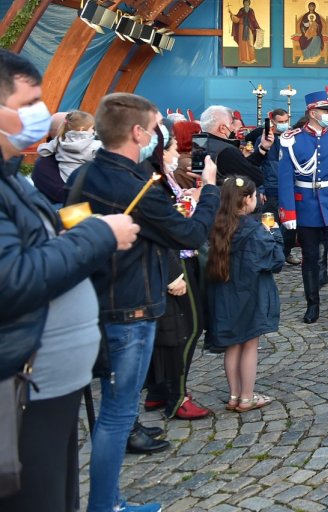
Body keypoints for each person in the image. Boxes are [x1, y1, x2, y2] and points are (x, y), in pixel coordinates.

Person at [0, 51, 140, 512]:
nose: (44, 114)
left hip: (52, 381)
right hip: (23, 383)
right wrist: (99, 234)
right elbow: (11, 279)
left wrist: (72, 231)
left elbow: (40, 236)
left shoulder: (11, 177)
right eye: (31, 102)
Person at [72, 93, 219, 512]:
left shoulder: (86, 175)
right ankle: (105, 505)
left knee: (110, 412)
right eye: (155, 129)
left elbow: (70, 227)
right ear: (138, 132)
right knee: (117, 416)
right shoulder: (137, 188)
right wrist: (208, 192)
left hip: (94, 301)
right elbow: (189, 235)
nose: (160, 137)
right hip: (130, 308)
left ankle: (108, 500)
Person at [141, 124, 211, 422]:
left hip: (173, 258)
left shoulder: (158, 177)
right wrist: (207, 190)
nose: (175, 155)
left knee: (169, 331)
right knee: (187, 329)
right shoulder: (149, 180)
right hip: (175, 261)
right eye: (170, 150)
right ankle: (177, 395)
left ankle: (159, 390)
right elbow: (161, 227)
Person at [277, 89, 328, 325]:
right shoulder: (292, 141)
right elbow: (285, 179)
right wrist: (289, 212)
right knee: (310, 257)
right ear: (313, 112)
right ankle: (312, 306)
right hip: (306, 209)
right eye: (326, 111)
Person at [206, 176, 284, 414]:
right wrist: (274, 233)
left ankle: (233, 395)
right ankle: (247, 397)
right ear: (247, 199)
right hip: (250, 295)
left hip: (225, 294)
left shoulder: (217, 225)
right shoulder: (254, 229)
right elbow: (275, 260)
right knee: (249, 345)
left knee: (232, 346)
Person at [258, 109, 299, 266]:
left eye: (286, 121)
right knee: (270, 225)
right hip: (271, 189)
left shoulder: (290, 139)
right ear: (273, 122)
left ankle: (286, 252)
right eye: (280, 121)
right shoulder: (265, 140)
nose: (284, 124)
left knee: (290, 225)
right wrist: (261, 189)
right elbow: (258, 165)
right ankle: (270, 255)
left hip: (289, 189)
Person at [192, 105, 266, 187]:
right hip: (224, 197)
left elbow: (240, 166)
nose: (233, 128)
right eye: (231, 123)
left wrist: (262, 149)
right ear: (222, 128)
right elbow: (256, 178)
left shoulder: (197, 144)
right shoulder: (226, 150)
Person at [229, 0, 261, 65]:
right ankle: (243, 59)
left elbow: (254, 20)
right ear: (243, 3)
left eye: (247, 2)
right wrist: (232, 15)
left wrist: (258, 27)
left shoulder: (251, 10)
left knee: (250, 43)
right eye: (245, 2)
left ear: (249, 3)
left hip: (249, 28)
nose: (246, 3)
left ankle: (252, 59)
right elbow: (237, 19)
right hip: (241, 27)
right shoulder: (241, 10)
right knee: (242, 44)